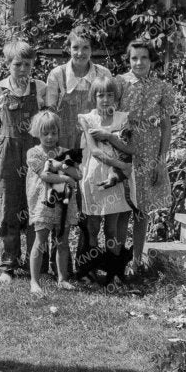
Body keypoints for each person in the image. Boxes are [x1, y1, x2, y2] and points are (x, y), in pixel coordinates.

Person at [42, 26, 113, 266]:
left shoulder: (103, 73)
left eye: (85, 48)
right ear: (68, 49)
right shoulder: (58, 75)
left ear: (92, 50)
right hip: (65, 146)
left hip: (93, 146)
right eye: (75, 48)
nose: (80, 53)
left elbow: (109, 111)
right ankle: (57, 260)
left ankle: (87, 257)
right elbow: (50, 115)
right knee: (61, 199)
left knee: (89, 201)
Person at [119, 34, 180, 280]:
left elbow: (166, 126)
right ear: (129, 60)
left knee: (142, 208)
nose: (139, 63)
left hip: (150, 150)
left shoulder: (161, 88)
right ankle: (118, 258)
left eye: (144, 58)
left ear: (151, 61)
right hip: (124, 147)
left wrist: (161, 159)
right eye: (134, 58)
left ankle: (136, 260)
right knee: (123, 205)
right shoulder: (119, 83)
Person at [0, 40, 40, 281]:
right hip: (8, 153)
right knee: (9, 205)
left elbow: (47, 118)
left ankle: (36, 259)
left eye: (27, 64)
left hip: (34, 150)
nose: (23, 69)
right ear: (8, 64)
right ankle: (9, 263)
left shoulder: (40, 88)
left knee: (36, 203)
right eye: (18, 64)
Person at [78, 76, 134, 276]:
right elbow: (94, 151)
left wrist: (110, 136)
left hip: (117, 178)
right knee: (92, 224)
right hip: (95, 175)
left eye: (110, 94)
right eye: (101, 94)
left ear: (116, 97)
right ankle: (92, 268)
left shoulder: (124, 118)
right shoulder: (87, 118)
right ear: (94, 96)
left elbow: (130, 147)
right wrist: (122, 166)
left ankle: (114, 271)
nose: (105, 99)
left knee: (112, 228)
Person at [23, 109, 80, 293]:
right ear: (37, 133)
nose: (49, 137)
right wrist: (65, 178)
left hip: (64, 202)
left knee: (62, 241)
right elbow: (45, 175)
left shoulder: (65, 152)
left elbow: (77, 173)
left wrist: (65, 166)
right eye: (45, 133)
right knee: (40, 241)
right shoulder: (33, 153)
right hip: (43, 203)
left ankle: (62, 278)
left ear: (59, 132)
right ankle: (34, 281)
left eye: (53, 133)